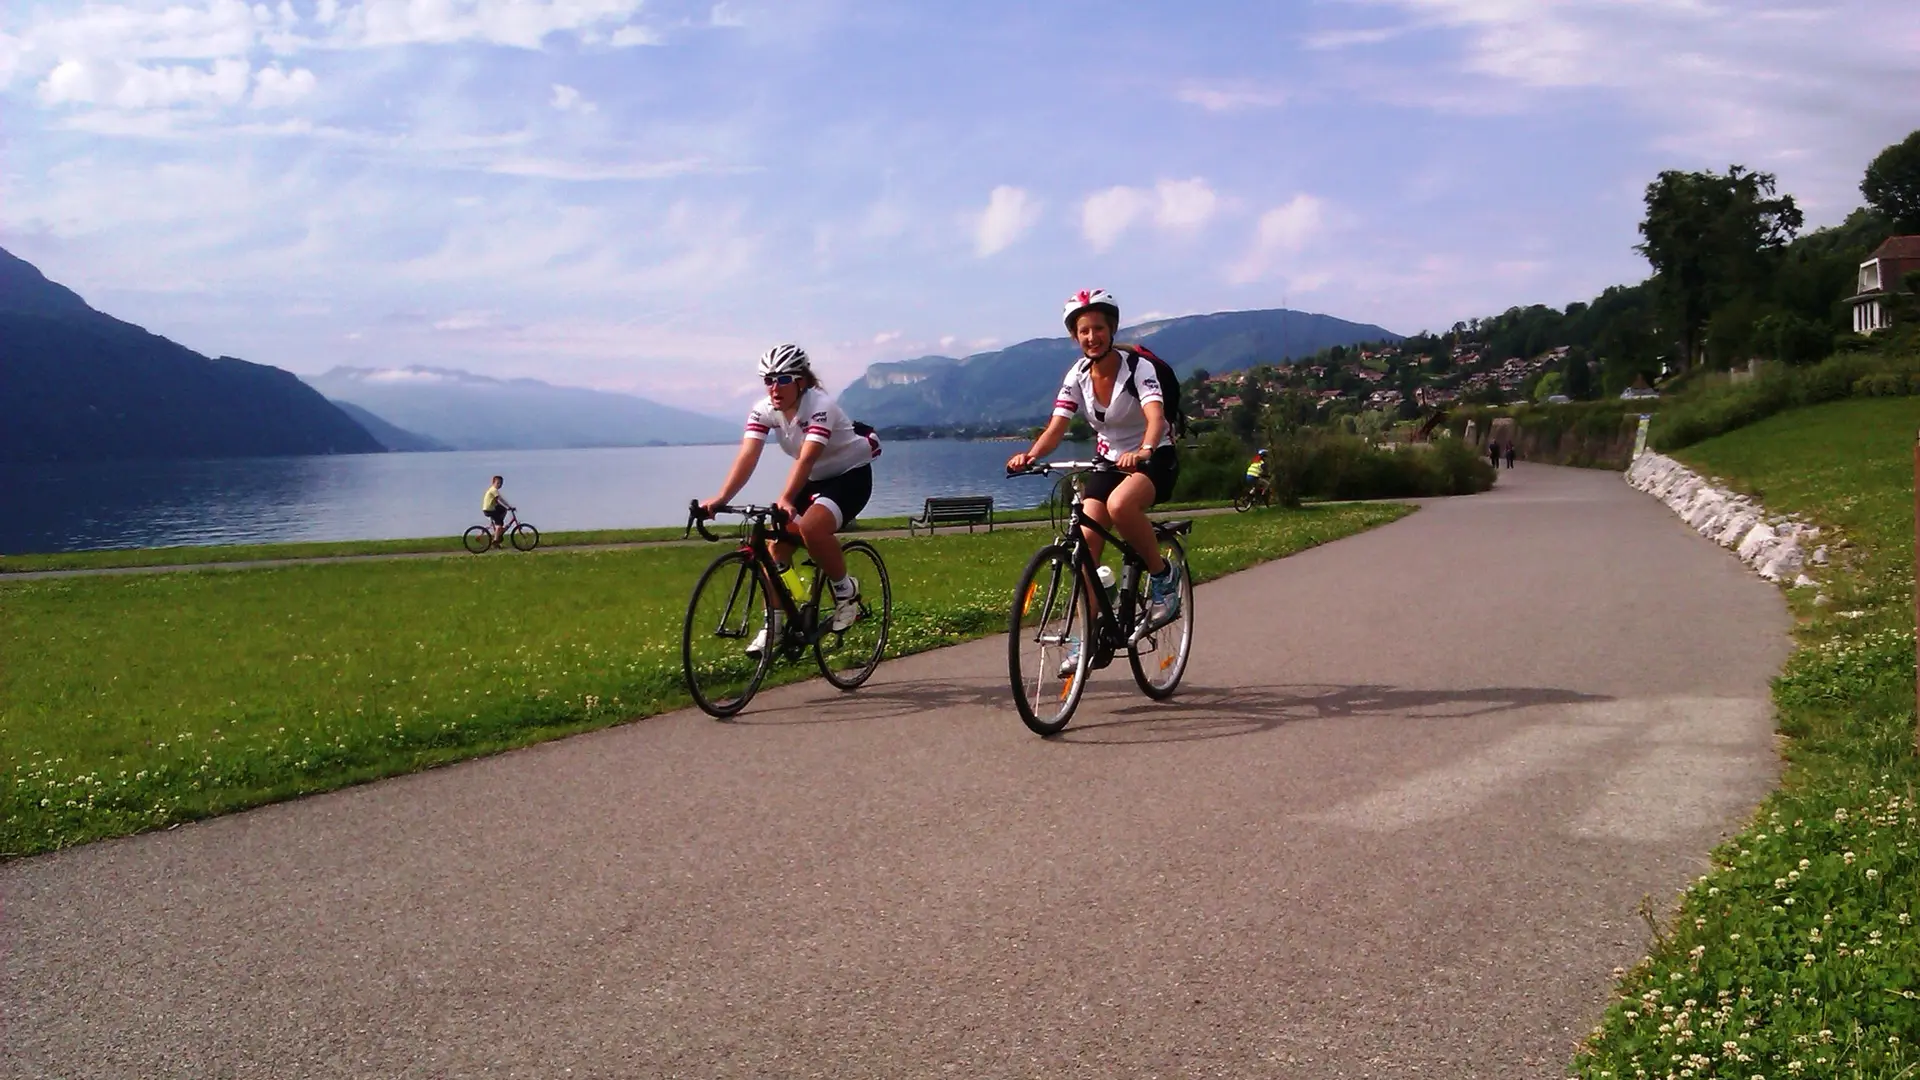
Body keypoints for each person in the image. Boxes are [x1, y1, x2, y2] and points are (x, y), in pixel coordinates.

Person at [1007, 288, 1183, 653]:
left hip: (1154, 458)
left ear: (1112, 329)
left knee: (1120, 506)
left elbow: (1155, 416)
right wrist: (1031, 454)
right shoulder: (1078, 374)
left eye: (1098, 329)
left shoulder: (1139, 368)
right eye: (1083, 331)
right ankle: (1089, 636)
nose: (1091, 337)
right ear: (1075, 336)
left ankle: (1163, 577)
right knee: (1086, 543)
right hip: (1107, 462)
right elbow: (1057, 427)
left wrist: (1145, 449)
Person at [702, 344, 878, 657]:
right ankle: (776, 624)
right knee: (775, 547)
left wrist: (785, 497)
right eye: (768, 380)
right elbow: (748, 455)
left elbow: (808, 458)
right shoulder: (764, 410)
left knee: (812, 528)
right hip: (814, 481)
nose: (774, 387)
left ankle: (845, 591)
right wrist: (721, 498)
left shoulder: (821, 406)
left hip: (850, 477)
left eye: (783, 379)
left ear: (801, 381)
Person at [481, 475, 513, 548]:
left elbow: (496, 502)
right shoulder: (493, 490)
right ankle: (495, 540)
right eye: (498, 483)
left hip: (491, 508)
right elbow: (500, 499)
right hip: (489, 510)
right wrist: (509, 506)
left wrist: (506, 508)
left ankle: (498, 531)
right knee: (499, 524)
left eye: (501, 483)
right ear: (493, 482)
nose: (499, 485)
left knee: (503, 510)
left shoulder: (493, 490)